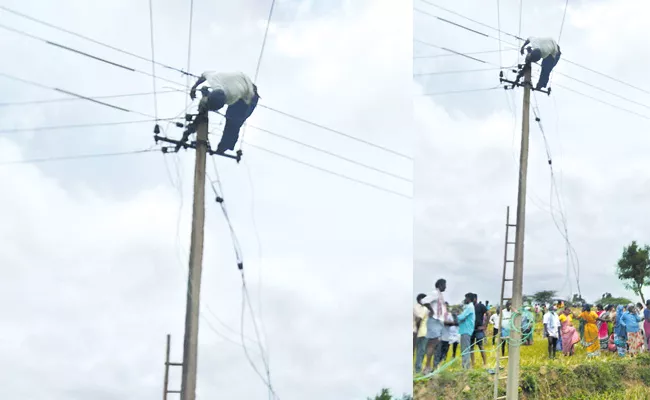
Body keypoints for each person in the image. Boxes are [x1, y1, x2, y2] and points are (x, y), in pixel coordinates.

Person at [188, 71, 260, 154]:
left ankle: (225, 145)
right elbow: (204, 75)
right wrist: (194, 87)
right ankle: (224, 145)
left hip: (250, 94)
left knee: (233, 120)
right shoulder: (214, 81)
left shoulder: (233, 96)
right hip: (239, 82)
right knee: (231, 116)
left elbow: (240, 110)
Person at [421, 279, 448, 374]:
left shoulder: (440, 295)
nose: (446, 286)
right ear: (440, 285)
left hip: (439, 322)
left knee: (436, 344)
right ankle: (427, 367)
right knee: (432, 343)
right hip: (434, 321)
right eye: (445, 284)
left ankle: (433, 366)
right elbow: (424, 301)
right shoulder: (435, 293)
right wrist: (431, 311)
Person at [456, 293, 476, 370]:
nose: (465, 300)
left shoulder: (470, 307)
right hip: (464, 330)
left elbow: (462, 317)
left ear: (469, 298)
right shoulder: (468, 307)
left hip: (466, 330)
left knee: (465, 350)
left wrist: (456, 316)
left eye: (466, 298)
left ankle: (466, 368)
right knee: (464, 349)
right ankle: (465, 366)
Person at [470, 293, 488, 367]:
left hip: (479, 329)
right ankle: (473, 363)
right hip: (471, 329)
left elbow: (488, 313)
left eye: (472, 299)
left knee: (480, 346)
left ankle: (485, 363)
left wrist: (485, 325)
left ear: (475, 299)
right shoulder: (470, 307)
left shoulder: (481, 306)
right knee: (471, 347)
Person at [413, 294, 429, 374]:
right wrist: (417, 330)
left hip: (418, 332)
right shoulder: (423, 308)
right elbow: (419, 319)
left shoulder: (415, 307)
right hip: (421, 333)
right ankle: (418, 370)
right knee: (420, 352)